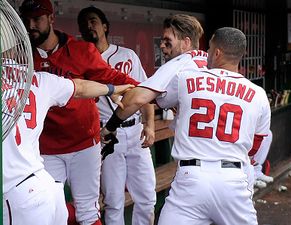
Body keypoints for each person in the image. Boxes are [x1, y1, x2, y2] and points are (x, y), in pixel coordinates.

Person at [101, 27, 270, 225]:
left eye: (209, 49)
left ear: (217, 53)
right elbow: (255, 147)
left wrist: (110, 126)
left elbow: (138, 99)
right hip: (233, 180)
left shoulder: (187, 79)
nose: (206, 54)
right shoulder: (258, 94)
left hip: (191, 180)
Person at [18, 0, 140, 224]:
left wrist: (151, 93)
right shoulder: (21, 57)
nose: (31, 25)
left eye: (37, 19)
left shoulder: (81, 50)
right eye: (26, 20)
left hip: (84, 144)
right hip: (45, 148)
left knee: (87, 212)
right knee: (48, 211)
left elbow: (113, 78)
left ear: (51, 19)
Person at [77, 6, 156, 225]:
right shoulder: (80, 61)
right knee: (113, 201)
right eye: (84, 23)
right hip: (106, 134)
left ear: (105, 26)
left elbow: (144, 92)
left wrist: (149, 126)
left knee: (148, 198)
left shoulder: (127, 55)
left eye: (93, 20)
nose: (88, 25)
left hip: (135, 130)